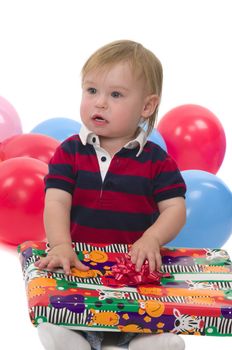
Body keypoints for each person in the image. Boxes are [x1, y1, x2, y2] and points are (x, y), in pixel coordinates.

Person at [36, 40, 186, 350]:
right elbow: (56, 200)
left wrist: (152, 239)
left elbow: (175, 209)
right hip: (79, 267)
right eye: (91, 91)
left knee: (154, 323)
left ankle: (143, 341)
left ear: (146, 106)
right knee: (59, 318)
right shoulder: (69, 152)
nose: (99, 103)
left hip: (133, 275)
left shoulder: (158, 160)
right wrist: (62, 245)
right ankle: (74, 339)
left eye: (115, 95)